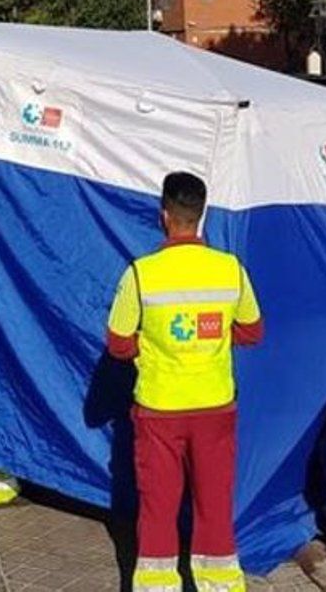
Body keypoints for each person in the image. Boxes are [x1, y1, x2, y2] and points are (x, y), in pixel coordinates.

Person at [106, 172, 264, 592]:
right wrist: (208, 337)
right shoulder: (230, 269)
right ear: (202, 215)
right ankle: (222, 584)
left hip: (159, 411)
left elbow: (119, 345)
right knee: (214, 503)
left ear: (163, 217)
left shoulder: (141, 274)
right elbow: (251, 332)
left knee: (158, 508)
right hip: (215, 407)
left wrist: (154, 346)